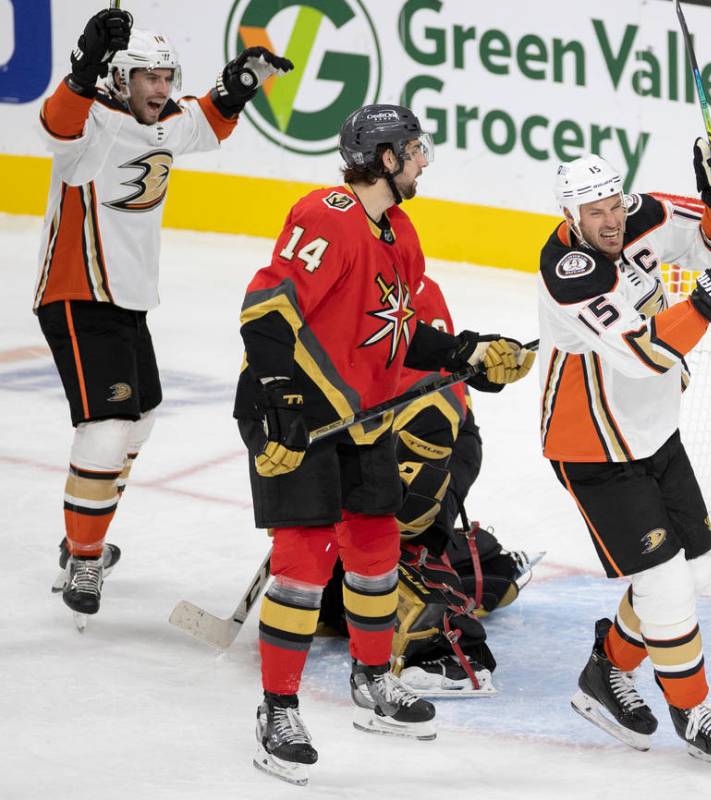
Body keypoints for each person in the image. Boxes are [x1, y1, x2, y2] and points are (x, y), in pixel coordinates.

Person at [234, 103, 534, 786]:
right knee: (304, 563)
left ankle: (372, 682)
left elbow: (397, 335)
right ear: (387, 158)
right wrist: (281, 403)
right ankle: (277, 709)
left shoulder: (400, 232)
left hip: (359, 417)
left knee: (373, 552)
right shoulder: (326, 215)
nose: (425, 159)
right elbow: (265, 311)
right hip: (296, 415)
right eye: (416, 149)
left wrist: (466, 353)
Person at [33, 7, 293, 628]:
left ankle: (81, 539)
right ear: (118, 79)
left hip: (130, 299)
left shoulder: (166, 118)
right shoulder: (90, 119)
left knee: (141, 418)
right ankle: (86, 558)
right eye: (147, 77)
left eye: (166, 75)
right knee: (107, 425)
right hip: (77, 291)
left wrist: (237, 88)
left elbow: (203, 124)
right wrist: (83, 66)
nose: (161, 88)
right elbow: (53, 126)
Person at [537, 135, 711, 768]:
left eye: (613, 205)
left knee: (695, 573)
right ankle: (691, 710)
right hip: (594, 449)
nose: (610, 221)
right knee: (665, 582)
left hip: (656, 432)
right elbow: (641, 354)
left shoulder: (643, 216)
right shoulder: (569, 275)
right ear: (569, 218)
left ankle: (604, 670)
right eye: (594, 213)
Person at [315, 272, 542, 697]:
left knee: (401, 535)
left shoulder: (406, 289)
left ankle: (452, 652)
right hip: (385, 437)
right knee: (340, 576)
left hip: (429, 440)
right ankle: (482, 569)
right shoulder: (334, 285)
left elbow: (435, 402)